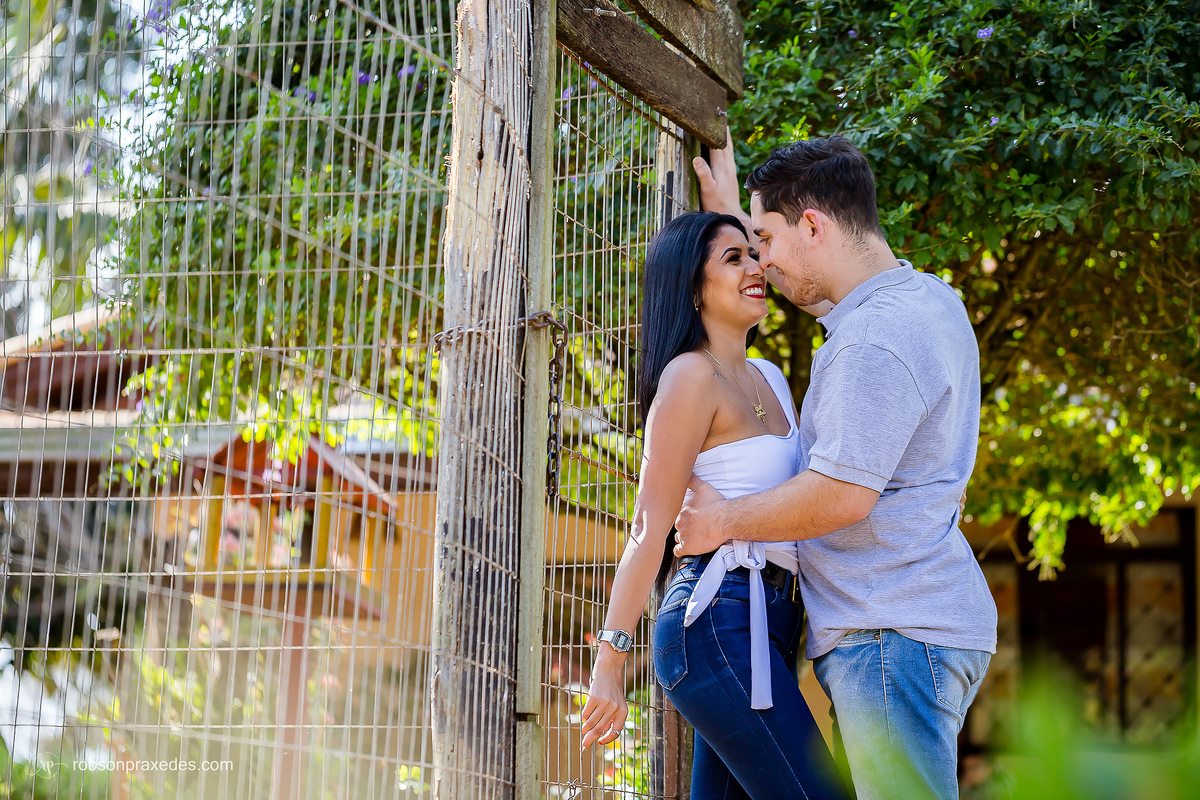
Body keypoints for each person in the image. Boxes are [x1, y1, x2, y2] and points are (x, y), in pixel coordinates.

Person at [673, 132, 999, 800]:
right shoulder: (928, 300)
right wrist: (734, 215)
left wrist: (720, 522)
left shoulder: (871, 342)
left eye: (766, 240)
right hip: (919, 620)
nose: (762, 261)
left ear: (814, 226)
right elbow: (817, 291)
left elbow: (842, 494)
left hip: (889, 632)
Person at [579, 210, 848, 800]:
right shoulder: (689, 377)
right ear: (694, 288)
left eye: (755, 253)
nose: (756, 267)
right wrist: (610, 664)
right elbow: (648, 527)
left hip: (775, 621)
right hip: (718, 618)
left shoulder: (770, 377)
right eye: (734, 259)